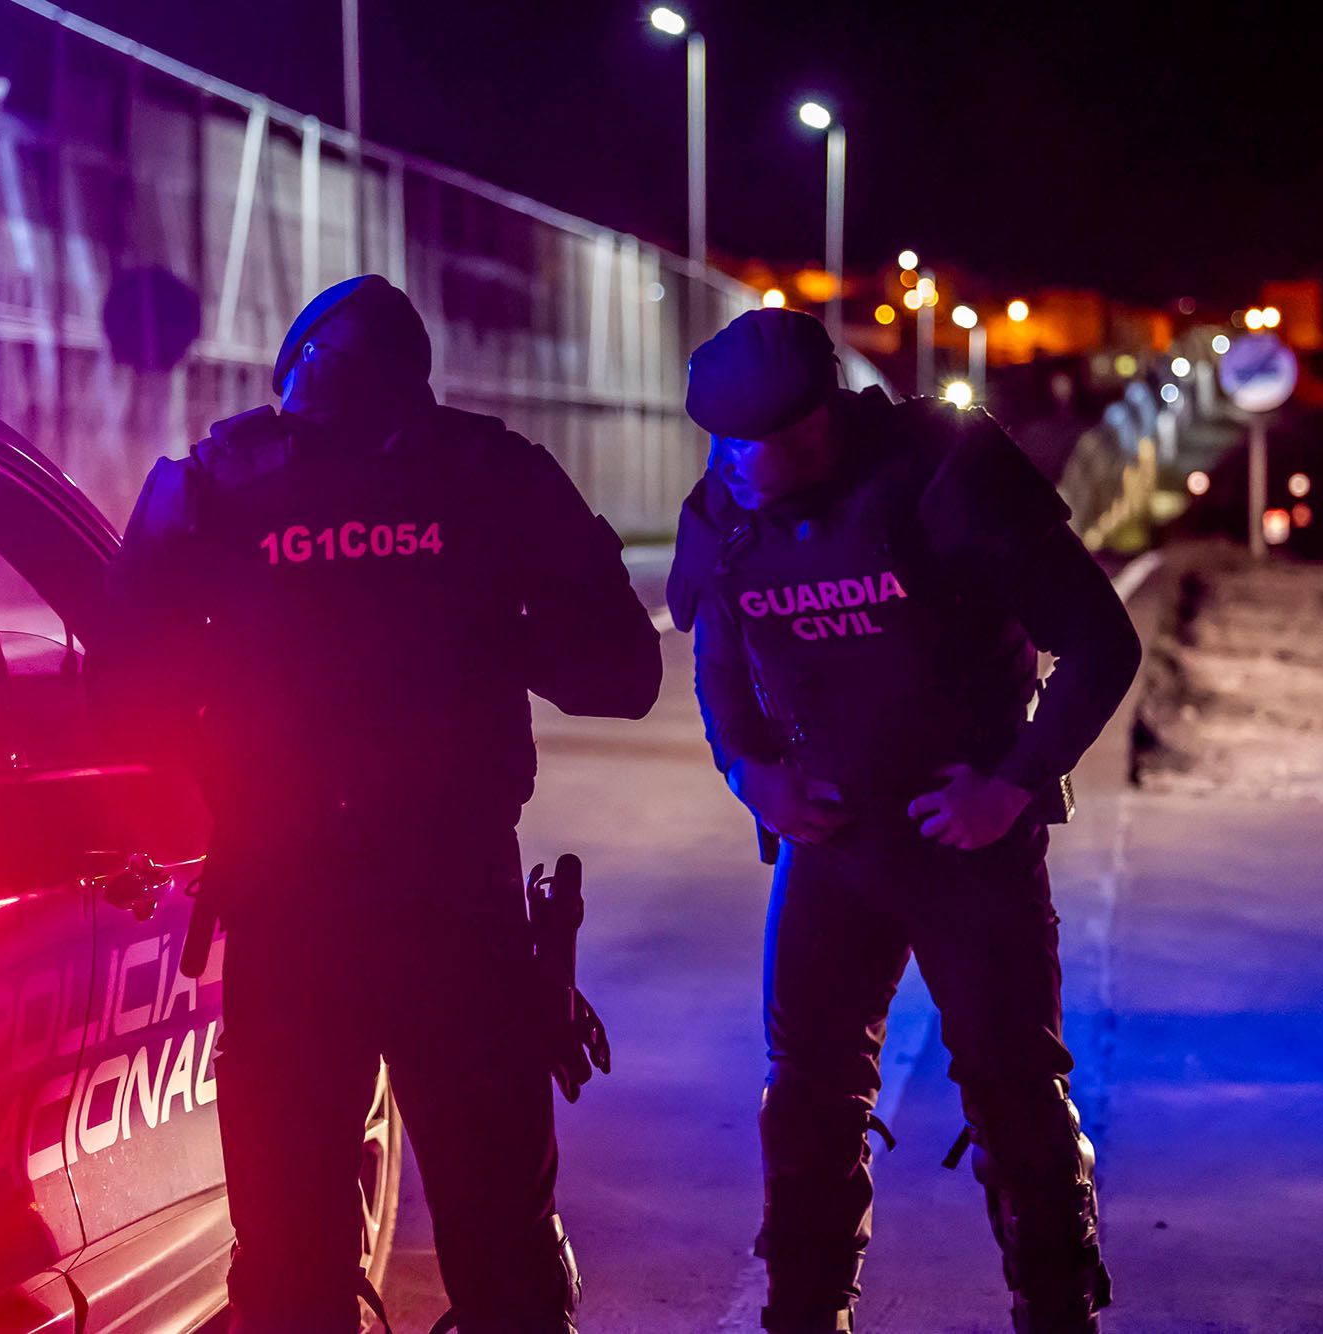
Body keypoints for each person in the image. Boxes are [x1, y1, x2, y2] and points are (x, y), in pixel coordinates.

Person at [93, 274, 661, 1333]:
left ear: (289, 381)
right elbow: (623, 674)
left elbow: (119, 698)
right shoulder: (494, 473)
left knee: (288, 1265)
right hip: (460, 914)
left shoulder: (209, 484)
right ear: (420, 384)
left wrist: (241, 694)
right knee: (506, 1257)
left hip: (286, 915)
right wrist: (477, 632)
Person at [665, 309, 1140, 1334]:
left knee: (1015, 1098)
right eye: (720, 441)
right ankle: (805, 1314)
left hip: (966, 848)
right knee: (804, 1105)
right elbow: (718, 664)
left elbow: (1103, 643)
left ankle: (1057, 1308)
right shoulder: (730, 503)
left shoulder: (942, 472)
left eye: (750, 441)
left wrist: (1010, 785)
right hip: (830, 852)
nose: (730, 462)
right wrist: (751, 775)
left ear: (813, 423)